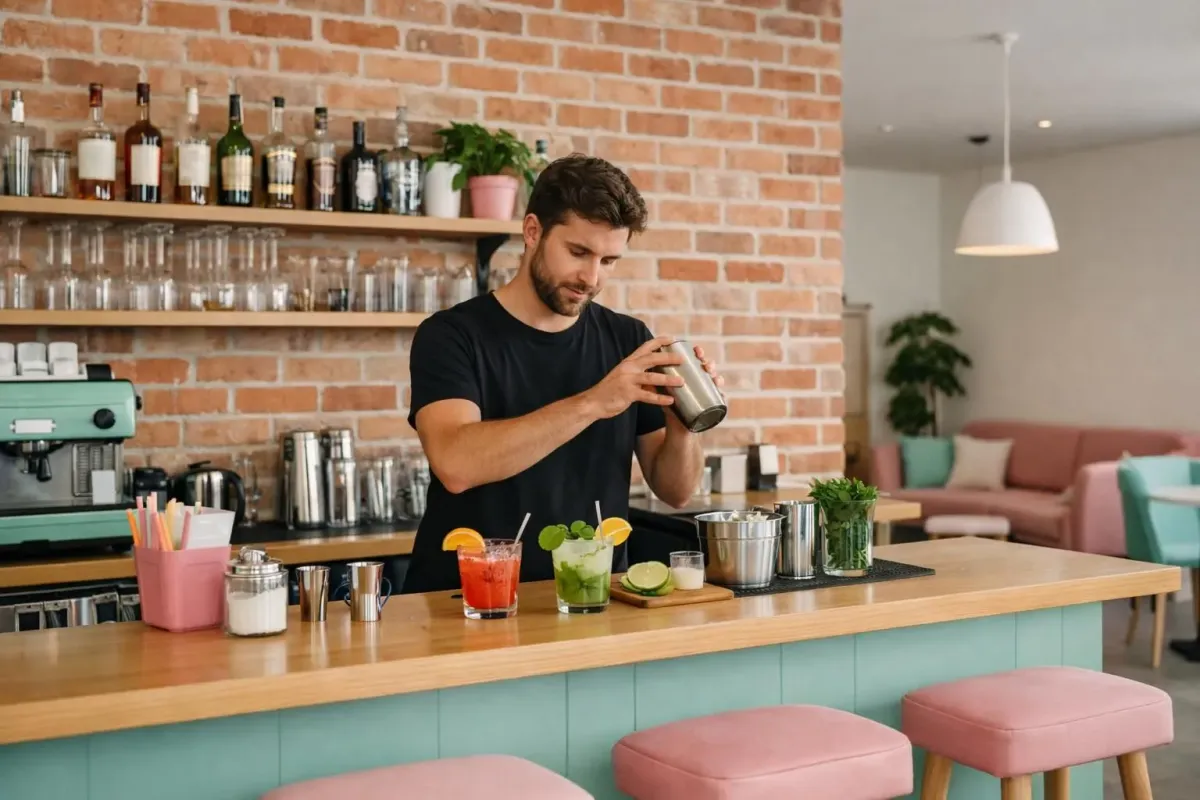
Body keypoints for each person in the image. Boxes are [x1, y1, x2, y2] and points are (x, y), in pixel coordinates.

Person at [401, 154, 722, 594]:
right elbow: (456, 464)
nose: (591, 277)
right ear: (532, 231)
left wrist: (682, 423)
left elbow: (676, 492)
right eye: (578, 252)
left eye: (609, 261)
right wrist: (595, 402)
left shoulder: (628, 339)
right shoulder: (451, 335)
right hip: (469, 598)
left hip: (591, 594)